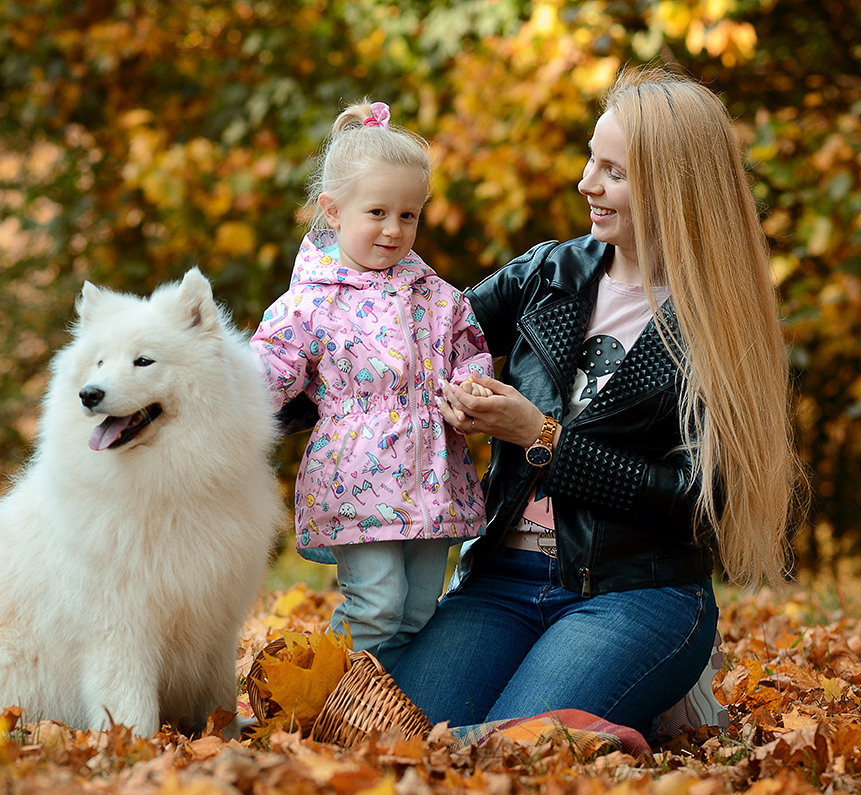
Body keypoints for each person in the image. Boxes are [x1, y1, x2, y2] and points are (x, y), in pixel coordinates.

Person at [390, 66, 802, 739]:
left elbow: (698, 501)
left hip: (637, 594)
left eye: (611, 171)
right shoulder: (550, 273)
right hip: (502, 578)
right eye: (591, 158)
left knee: (509, 754)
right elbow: (422, 337)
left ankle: (619, 716)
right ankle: (607, 726)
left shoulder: (720, 324)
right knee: (395, 740)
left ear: (672, 188)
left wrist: (541, 434)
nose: (586, 182)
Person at [251, 99, 494, 670]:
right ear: (332, 211)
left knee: (417, 611)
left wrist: (472, 384)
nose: (393, 229)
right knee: (377, 606)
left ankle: (388, 701)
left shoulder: (436, 294)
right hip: (357, 474)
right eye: (378, 212)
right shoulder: (309, 301)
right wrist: (230, 406)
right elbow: (270, 365)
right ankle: (326, 696)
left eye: (408, 216)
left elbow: (470, 350)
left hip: (433, 472)